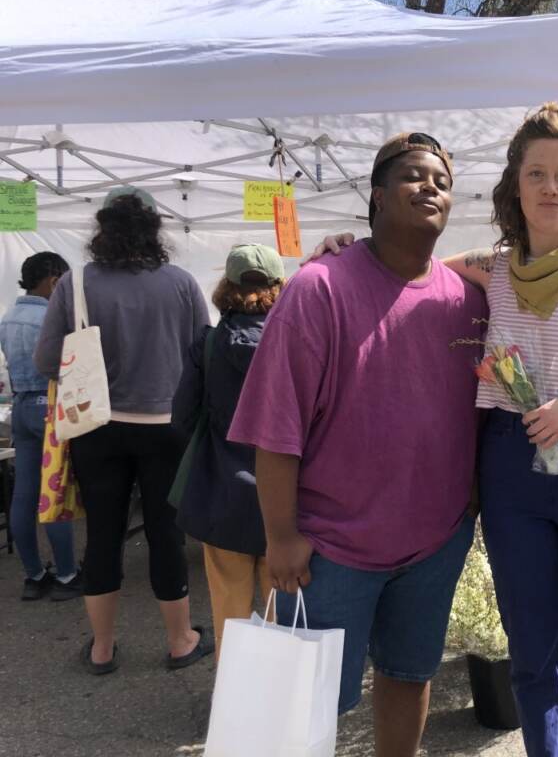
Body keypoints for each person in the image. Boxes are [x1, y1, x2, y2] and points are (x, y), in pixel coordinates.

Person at [312, 105, 558, 757]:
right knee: (531, 654)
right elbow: (407, 261)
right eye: (537, 173)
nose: (551, 188)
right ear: (517, 183)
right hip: (509, 468)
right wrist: (345, 249)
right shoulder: (491, 267)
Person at [228, 133, 486, 756]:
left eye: (442, 182)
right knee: (306, 702)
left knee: (409, 674)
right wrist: (280, 536)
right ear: (375, 195)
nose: (431, 188)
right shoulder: (318, 288)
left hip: (433, 543)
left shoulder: (468, 301)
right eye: (414, 177)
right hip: (332, 548)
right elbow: (275, 427)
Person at [34, 186, 213, 675]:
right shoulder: (180, 282)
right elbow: (202, 354)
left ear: (103, 229)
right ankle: (180, 641)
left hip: (98, 427)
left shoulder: (78, 283)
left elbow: (47, 359)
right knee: (164, 533)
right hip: (166, 427)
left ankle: (103, 648)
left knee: (105, 534)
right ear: (155, 229)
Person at [172, 244, 285, 660]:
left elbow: (181, 417)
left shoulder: (208, 344)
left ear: (227, 285)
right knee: (283, 611)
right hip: (286, 504)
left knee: (229, 614)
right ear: (278, 286)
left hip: (221, 494)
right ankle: (281, 699)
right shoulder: (293, 346)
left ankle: (235, 706)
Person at [0, 252, 81, 601]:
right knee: (55, 492)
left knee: (24, 494)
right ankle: (66, 574)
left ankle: (33, 575)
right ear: (52, 280)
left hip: (20, 406)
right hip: (48, 406)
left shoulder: (8, 318)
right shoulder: (49, 316)